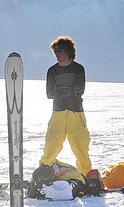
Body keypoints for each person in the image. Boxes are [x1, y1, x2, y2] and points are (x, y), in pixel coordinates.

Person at [37, 36, 97, 189]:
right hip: (58, 112)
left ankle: (86, 177)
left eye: (60, 50)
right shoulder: (52, 71)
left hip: (75, 112)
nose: (57, 53)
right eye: (55, 51)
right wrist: (66, 91)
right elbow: (50, 93)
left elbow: (79, 90)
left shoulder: (78, 69)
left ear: (69, 51)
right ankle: (43, 173)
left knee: (80, 146)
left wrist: (62, 91)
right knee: (52, 143)